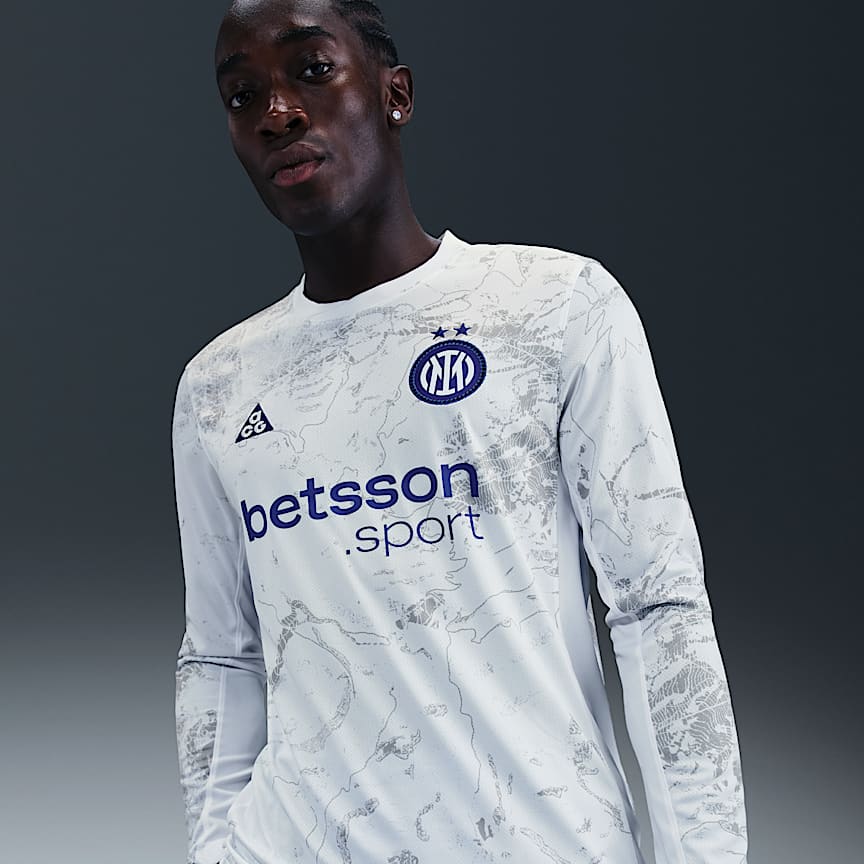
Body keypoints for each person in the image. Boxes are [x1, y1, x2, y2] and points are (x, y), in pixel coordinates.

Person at [171, 1, 749, 862]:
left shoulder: (554, 308)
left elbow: (657, 608)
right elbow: (221, 657)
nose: (277, 112)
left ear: (395, 94)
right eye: (241, 95)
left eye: (313, 70)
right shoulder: (219, 387)